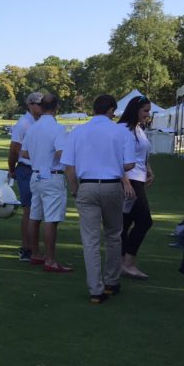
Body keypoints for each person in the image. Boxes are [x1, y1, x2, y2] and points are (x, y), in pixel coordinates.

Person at [62, 94, 136, 304]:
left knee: (90, 240)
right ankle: (111, 281)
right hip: (112, 185)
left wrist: (75, 189)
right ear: (111, 110)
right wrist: (113, 163)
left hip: (87, 185)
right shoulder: (121, 132)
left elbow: (69, 167)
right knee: (114, 235)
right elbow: (130, 164)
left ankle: (96, 289)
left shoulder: (78, 132)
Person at [20, 93, 71, 272]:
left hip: (35, 174)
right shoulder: (57, 129)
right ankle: (50, 259)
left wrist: (39, 154)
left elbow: (24, 153)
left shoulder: (33, 128)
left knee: (35, 215)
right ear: (56, 107)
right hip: (52, 174)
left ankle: (35, 254)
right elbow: (61, 153)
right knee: (51, 218)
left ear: (40, 107)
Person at [118, 96, 155, 279]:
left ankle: (121, 262)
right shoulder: (123, 129)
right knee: (144, 220)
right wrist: (125, 181)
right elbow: (118, 157)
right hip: (129, 180)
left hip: (137, 178)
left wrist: (149, 169)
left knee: (125, 222)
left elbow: (140, 155)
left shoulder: (139, 129)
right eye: (145, 111)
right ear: (135, 110)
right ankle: (127, 262)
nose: (148, 115)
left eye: (149, 111)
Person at [8, 91, 44, 261]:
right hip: (27, 169)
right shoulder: (24, 123)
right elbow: (14, 149)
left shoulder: (40, 121)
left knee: (37, 210)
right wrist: (12, 168)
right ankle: (26, 248)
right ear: (30, 105)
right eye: (38, 103)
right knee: (29, 210)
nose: (41, 106)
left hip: (39, 169)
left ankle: (33, 247)